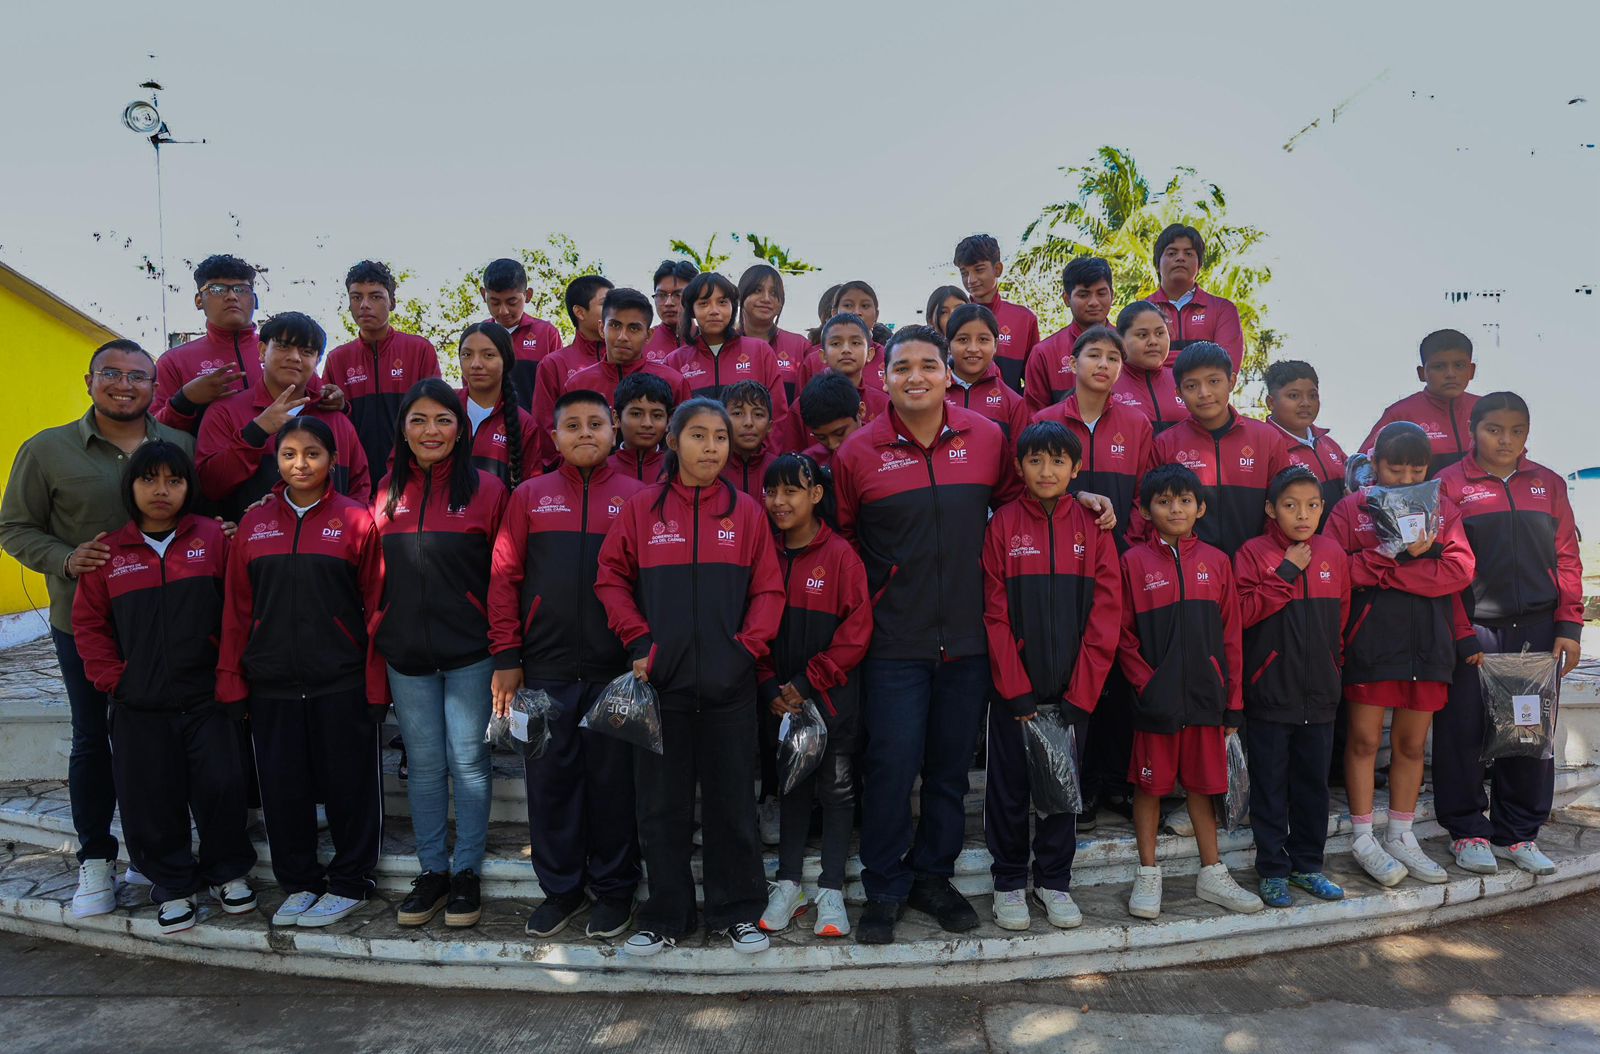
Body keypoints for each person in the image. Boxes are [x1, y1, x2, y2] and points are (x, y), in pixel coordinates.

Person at [832, 325, 1113, 945]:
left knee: (949, 771)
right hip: (894, 641)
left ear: (946, 373)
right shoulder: (857, 453)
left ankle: (932, 878)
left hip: (969, 639)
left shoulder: (986, 438)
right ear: (884, 376)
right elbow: (846, 541)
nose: (916, 377)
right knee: (891, 766)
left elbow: (1030, 502)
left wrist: (1085, 496)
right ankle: (885, 887)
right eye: (901, 367)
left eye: (928, 365)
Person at [0, 339, 194, 918]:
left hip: (167, 624)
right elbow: (14, 527)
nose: (124, 384)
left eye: (138, 375)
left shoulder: (179, 445)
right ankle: (95, 857)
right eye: (111, 373)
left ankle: (155, 852)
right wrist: (64, 558)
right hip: (85, 624)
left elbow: (199, 520)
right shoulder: (48, 450)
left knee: (162, 740)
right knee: (93, 738)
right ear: (89, 381)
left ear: (154, 387)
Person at [595, 398, 784, 957]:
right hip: (661, 688)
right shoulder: (641, 509)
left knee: (733, 805)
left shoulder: (746, 512)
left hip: (731, 687)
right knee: (661, 808)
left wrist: (744, 653)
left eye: (720, 437)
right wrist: (639, 642)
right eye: (698, 435)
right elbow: (610, 578)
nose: (711, 447)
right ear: (673, 442)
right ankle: (665, 915)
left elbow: (769, 590)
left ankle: (737, 912)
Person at [69, 442, 254, 935]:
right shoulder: (109, 553)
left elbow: (239, 608)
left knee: (222, 786)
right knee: (150, 798)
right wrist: (116, 678)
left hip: (207, 698)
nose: (161, 490)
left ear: (188, 488)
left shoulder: (214, 538)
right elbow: (89, 624)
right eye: (149, 479)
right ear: (130, 487)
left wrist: (230, 674)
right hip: (139, 704)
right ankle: (172, 885)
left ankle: (227, 872)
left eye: (174, 480)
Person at [489, 389, 648, 939]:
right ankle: (561, 890)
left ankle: (614, 891)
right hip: (544, 669)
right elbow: (504, 577)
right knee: (549, 784)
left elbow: (649, 581)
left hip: (615, 672)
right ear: (553, 436)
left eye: (595, 424)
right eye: (572, 425)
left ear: (614, 432)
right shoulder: (529, 496)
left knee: (613, 786)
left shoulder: (637, 497)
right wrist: (507, 654)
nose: (585, 433)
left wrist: (642, 651)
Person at [217, 416, 385, 928]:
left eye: (313, 453)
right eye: (289, 454)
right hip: (272, 684)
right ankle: (300, 882)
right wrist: (232, 678)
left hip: (341, 680)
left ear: (333, 460)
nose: (301, 464)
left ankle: (351, 881)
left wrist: (376, 683)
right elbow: (237, 609)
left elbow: (377, 606)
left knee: (350, 786)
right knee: (282, 789)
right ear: (276, 460)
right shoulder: (254, 525)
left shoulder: (356, 520)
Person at [374, 380, 510, 930]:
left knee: (469, 763)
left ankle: (466, 871)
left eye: (443, 420)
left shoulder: (489, 491)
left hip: (471, 652)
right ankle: (432, 870)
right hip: (406, 654)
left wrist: (506, 648)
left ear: (460, 429)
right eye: (419, 420)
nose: (431, 430)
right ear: (403, 430)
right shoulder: (385, 491)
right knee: (426, 766)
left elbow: (505, 575)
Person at [1435, 392, 1584, 877]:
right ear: (1473, 430)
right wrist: (1461, 633)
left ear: (1527, 434)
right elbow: (1444, 568)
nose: (1505, 440)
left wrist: (1568, 625)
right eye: (1494, 429)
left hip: (1536, 632)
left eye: (1516, 431)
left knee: (1527, 732)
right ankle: (1467, 831)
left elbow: (1566, 557)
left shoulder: (1548, 484)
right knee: (1463, 733)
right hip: (1476, 631)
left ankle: (1517, 833)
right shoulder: (1449, 485)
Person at [981, 422, 1121, 930]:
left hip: (1072, 692)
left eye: (1058, 461)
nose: (1046, 471)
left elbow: (1106, 613)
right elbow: (994, 613)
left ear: (1075, 469)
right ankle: (1008, 881)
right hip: (1015, 693)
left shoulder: (1093, 526)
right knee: (1009, 790)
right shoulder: (1002, 525)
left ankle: (1054, 881)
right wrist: (1014, 690)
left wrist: (1083, 693)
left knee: (1063, 788)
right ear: (1019, 467)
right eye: (1035, 460)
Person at [1325, 422, 1476, 888]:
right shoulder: (1352, 508)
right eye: (1396, 468)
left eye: (1417, 469)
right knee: (1364, 742)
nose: (1407, 477)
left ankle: (1401, 835)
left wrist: (1389, 574)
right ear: (1375, 464)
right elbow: (1336, 569)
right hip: (1371, 642)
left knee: (1411, 746)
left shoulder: (1442, 508)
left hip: (1428, 644)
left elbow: (1459, 570)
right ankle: (1363, 837)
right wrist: (1394, 553)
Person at [1117, 463, 1262, 919]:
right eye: (1164, 502)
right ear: (1146, 511)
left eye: (1184, 500)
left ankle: (1212, 872)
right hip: (1156, 703)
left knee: (1203, 786)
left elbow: (1231, 635)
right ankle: (1148, 872)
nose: (1175, 509)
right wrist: (1147, 685)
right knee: (1150, 787)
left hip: (1206, 699)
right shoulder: (1132, 563)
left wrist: (1232, 701)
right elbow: (1122, 634)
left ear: (1200, 508)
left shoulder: (1217, 562)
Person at [756, 453, 872, 939]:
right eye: (771, 492)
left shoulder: (841, 555)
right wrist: (769, 684)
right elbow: (751, 626)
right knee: (791, 786)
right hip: (780, 702)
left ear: (816, 494)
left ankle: (830, 889)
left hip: (830, 698)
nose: (779, 501)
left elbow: (856, 631)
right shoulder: (763, 551)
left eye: (791, 491)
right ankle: (788, 883)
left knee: (837, 789)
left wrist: (808, 682)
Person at [1233, 466, 1350, 907]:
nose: (1303, 515)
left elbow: (1341, 620)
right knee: (1270, 786)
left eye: (1312, 505)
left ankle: (1307, 866)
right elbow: (1241, 613)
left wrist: (1332, 669)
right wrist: (1284, 572)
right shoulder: (1252, 553)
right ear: (1271, 509)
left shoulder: (1333, 553)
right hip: (1270, 691)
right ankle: (1272, 869)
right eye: (1290, 505)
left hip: (1320, 693)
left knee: (1312, 786)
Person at [196, 311, 370, 521]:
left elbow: (360, 489)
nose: (294, 357)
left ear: (317, 360)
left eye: (307, 351)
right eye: (283, 346)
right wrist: (255, 432)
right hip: (249, 539)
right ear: (262, 351)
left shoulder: (336, 419)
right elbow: (210, 486)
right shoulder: (225, 412)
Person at [153, 255, 341, 433]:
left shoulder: (282, 350)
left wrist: (336, 401)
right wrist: (184, 401)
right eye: (217, 289)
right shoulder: (174, 362)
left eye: (241, 289)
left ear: (255, 300)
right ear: (198, 300)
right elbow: (152, 430)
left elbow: (319, 404)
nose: (231, 296)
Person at [1141, 341, 1292, 556]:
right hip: (1189, 568)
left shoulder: (1267, 439)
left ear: (1231, 382)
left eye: (1214, 381)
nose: (1204, 393)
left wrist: (1266, 558)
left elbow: (1284, 505)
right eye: (1191, 386)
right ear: (1178, 392)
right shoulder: (1165, 444)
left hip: (1256, 565)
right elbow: (1151, 509)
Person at [1030, 325, 1154, 550]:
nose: (1103, 364)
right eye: (1094, 355)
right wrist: (1076, 497)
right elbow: (1032, 488)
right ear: (1073, 364)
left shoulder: (1137, 424)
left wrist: (1131, 543)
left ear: (1120, 370)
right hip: (1055, 547)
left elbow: (1142, 493)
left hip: (1119, 550)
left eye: (1113, 358)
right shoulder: (1045, 420)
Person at [323, 260, 442, 490]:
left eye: (375, 296)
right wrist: (341, 406)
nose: (364, 305)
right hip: (354, 483)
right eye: (356, 297)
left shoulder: (419, 350)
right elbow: (328, 426)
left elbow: (433, 415)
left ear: (392, 302)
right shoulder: (338, 359)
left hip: (411, 478)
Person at [665, 272, 791, 425]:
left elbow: (778, 416)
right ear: (692, 310)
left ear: (733, 307)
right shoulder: (674, 362)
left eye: (722, 302)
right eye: (704, 303)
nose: (714, 311)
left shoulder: (760, 352)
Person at [1358, 329, 1479, 477]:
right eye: (1439, 367)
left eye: (1459, 365)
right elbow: (1361, 470)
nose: (1450, 374)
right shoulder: (1400, 415)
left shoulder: (1487, 411)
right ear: (1421, 373)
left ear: (1471, 370)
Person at [564, 288, 691, 419]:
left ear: (648, 335)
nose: (622, 337)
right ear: (601, 329)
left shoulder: (674, 382)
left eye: (634, 328)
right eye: (615, 326)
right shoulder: (577, 385)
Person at [530, 274, 616, 446]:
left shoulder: (624, 356)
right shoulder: (553, 364)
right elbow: (545, 427)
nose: (614, 310)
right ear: (580, 312)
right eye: (605, 303)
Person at [1023, 257, 1116, 414]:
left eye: (1101, 293)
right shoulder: (1044, 353)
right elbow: (1035, 415)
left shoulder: (1129, 346)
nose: (1094, 302)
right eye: (1084, 295)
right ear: (1066, 299)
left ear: (1112, 295)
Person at [1147, 224, 1244, 371]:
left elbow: (1225, 369)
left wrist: (1163, 361)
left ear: (1199, 266)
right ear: (1157, 264)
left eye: (1188, 253)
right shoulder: (1141, 310)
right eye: (1172, 253)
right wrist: (1203, 360)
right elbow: (1135, 364)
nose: (1180, 258)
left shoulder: (1222, 310)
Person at [1264, 360, 1347, 524]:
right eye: (1294, 396)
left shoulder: (1329, 444)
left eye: (1313, 396)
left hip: (1337, 539)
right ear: (1271, 402)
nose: (1306, 403)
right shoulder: (1264, 447)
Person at [953, 234, 1039, 391]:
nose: (971, 280)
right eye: (964, 273)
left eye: (979, 270)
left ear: (997, 269)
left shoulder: (1024, 319)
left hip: (1009, 406)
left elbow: (1035, 381)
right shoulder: (954, 319)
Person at [455, 322, 536, 488]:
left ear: (506, 360)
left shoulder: (524, 423)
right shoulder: (444, 407)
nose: (476, 364)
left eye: (488, 355)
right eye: (467, 355)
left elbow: (530, 487)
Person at [480, 257, 564, 409]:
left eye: (512, 302)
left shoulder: (546, 333)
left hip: (535, 422)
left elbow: (558, 389)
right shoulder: (477, 336)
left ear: (528, 295)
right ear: (483, 295)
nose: (503, 311)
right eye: (495, 302)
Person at [944, 304, 1029, 444]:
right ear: (948, 345)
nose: (973, 349)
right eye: (963, 339)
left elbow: (1017, 455)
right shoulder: (933, 395)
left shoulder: (1013, 403)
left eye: (983, 339)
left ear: (995, 345)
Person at [737, 264, 812, 402]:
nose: (766, 299)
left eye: (773, 293)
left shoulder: (800, 346)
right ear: (740, 297)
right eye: (758, 290)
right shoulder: (725, 344)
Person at [1111, 302, 1186, 434]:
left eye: (1160, 333)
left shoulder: (1183, 381)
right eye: (1142, 335)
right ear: (1120, 340)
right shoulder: (1107, 384)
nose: (1153, 341)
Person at [798, 283, 888, 390]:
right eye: (848, 305)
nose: (857, 312)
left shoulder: (888, 357)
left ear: (876, 315)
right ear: (834, 313)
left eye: (865, 306)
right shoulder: (812, 361)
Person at [608, 372, 674, 483]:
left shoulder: (677, 470)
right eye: (636, 414)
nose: (647, 424)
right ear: (617, 418)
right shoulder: (602, 470)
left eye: (657, 415)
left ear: (668, 421)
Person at [795, 372, 867, 471]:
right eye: (821, 438)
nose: (833, 445)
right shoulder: (809, 464)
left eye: (840, 433)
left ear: (860, 411)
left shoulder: (883, 452)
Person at [721, 380, 779, 502]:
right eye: (737, 413)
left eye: (758, 414)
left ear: (769, 426)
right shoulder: (714, 468)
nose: (748, 422)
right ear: (723, 421)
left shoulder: (779, 469)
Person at [645, 259, 698, 363]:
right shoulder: (642, 342)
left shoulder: (709, 341)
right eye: (661, 295)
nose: (668, 303)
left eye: (678, 295)